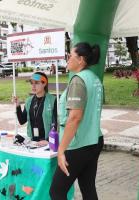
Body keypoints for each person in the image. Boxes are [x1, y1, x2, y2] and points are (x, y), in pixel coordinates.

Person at [49, 42, 103, 200]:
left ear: (81, 59)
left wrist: (61, 150)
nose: (67, 58)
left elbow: (75, 117)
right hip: (94, 140)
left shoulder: (79, 80)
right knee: (88, 189)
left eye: (70, 56)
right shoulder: (95, 79)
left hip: (78, 145)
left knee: (57, 192)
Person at [13, 72, 57, 146]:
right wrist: (18, 106)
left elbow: (56, 124)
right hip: (33, 142)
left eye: (36, 83)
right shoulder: (29, 101)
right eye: (31, 83)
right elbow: (22, 121)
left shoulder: (53, 100)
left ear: (44, 84)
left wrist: (48, 141)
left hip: (47, 143)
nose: (33, 86)